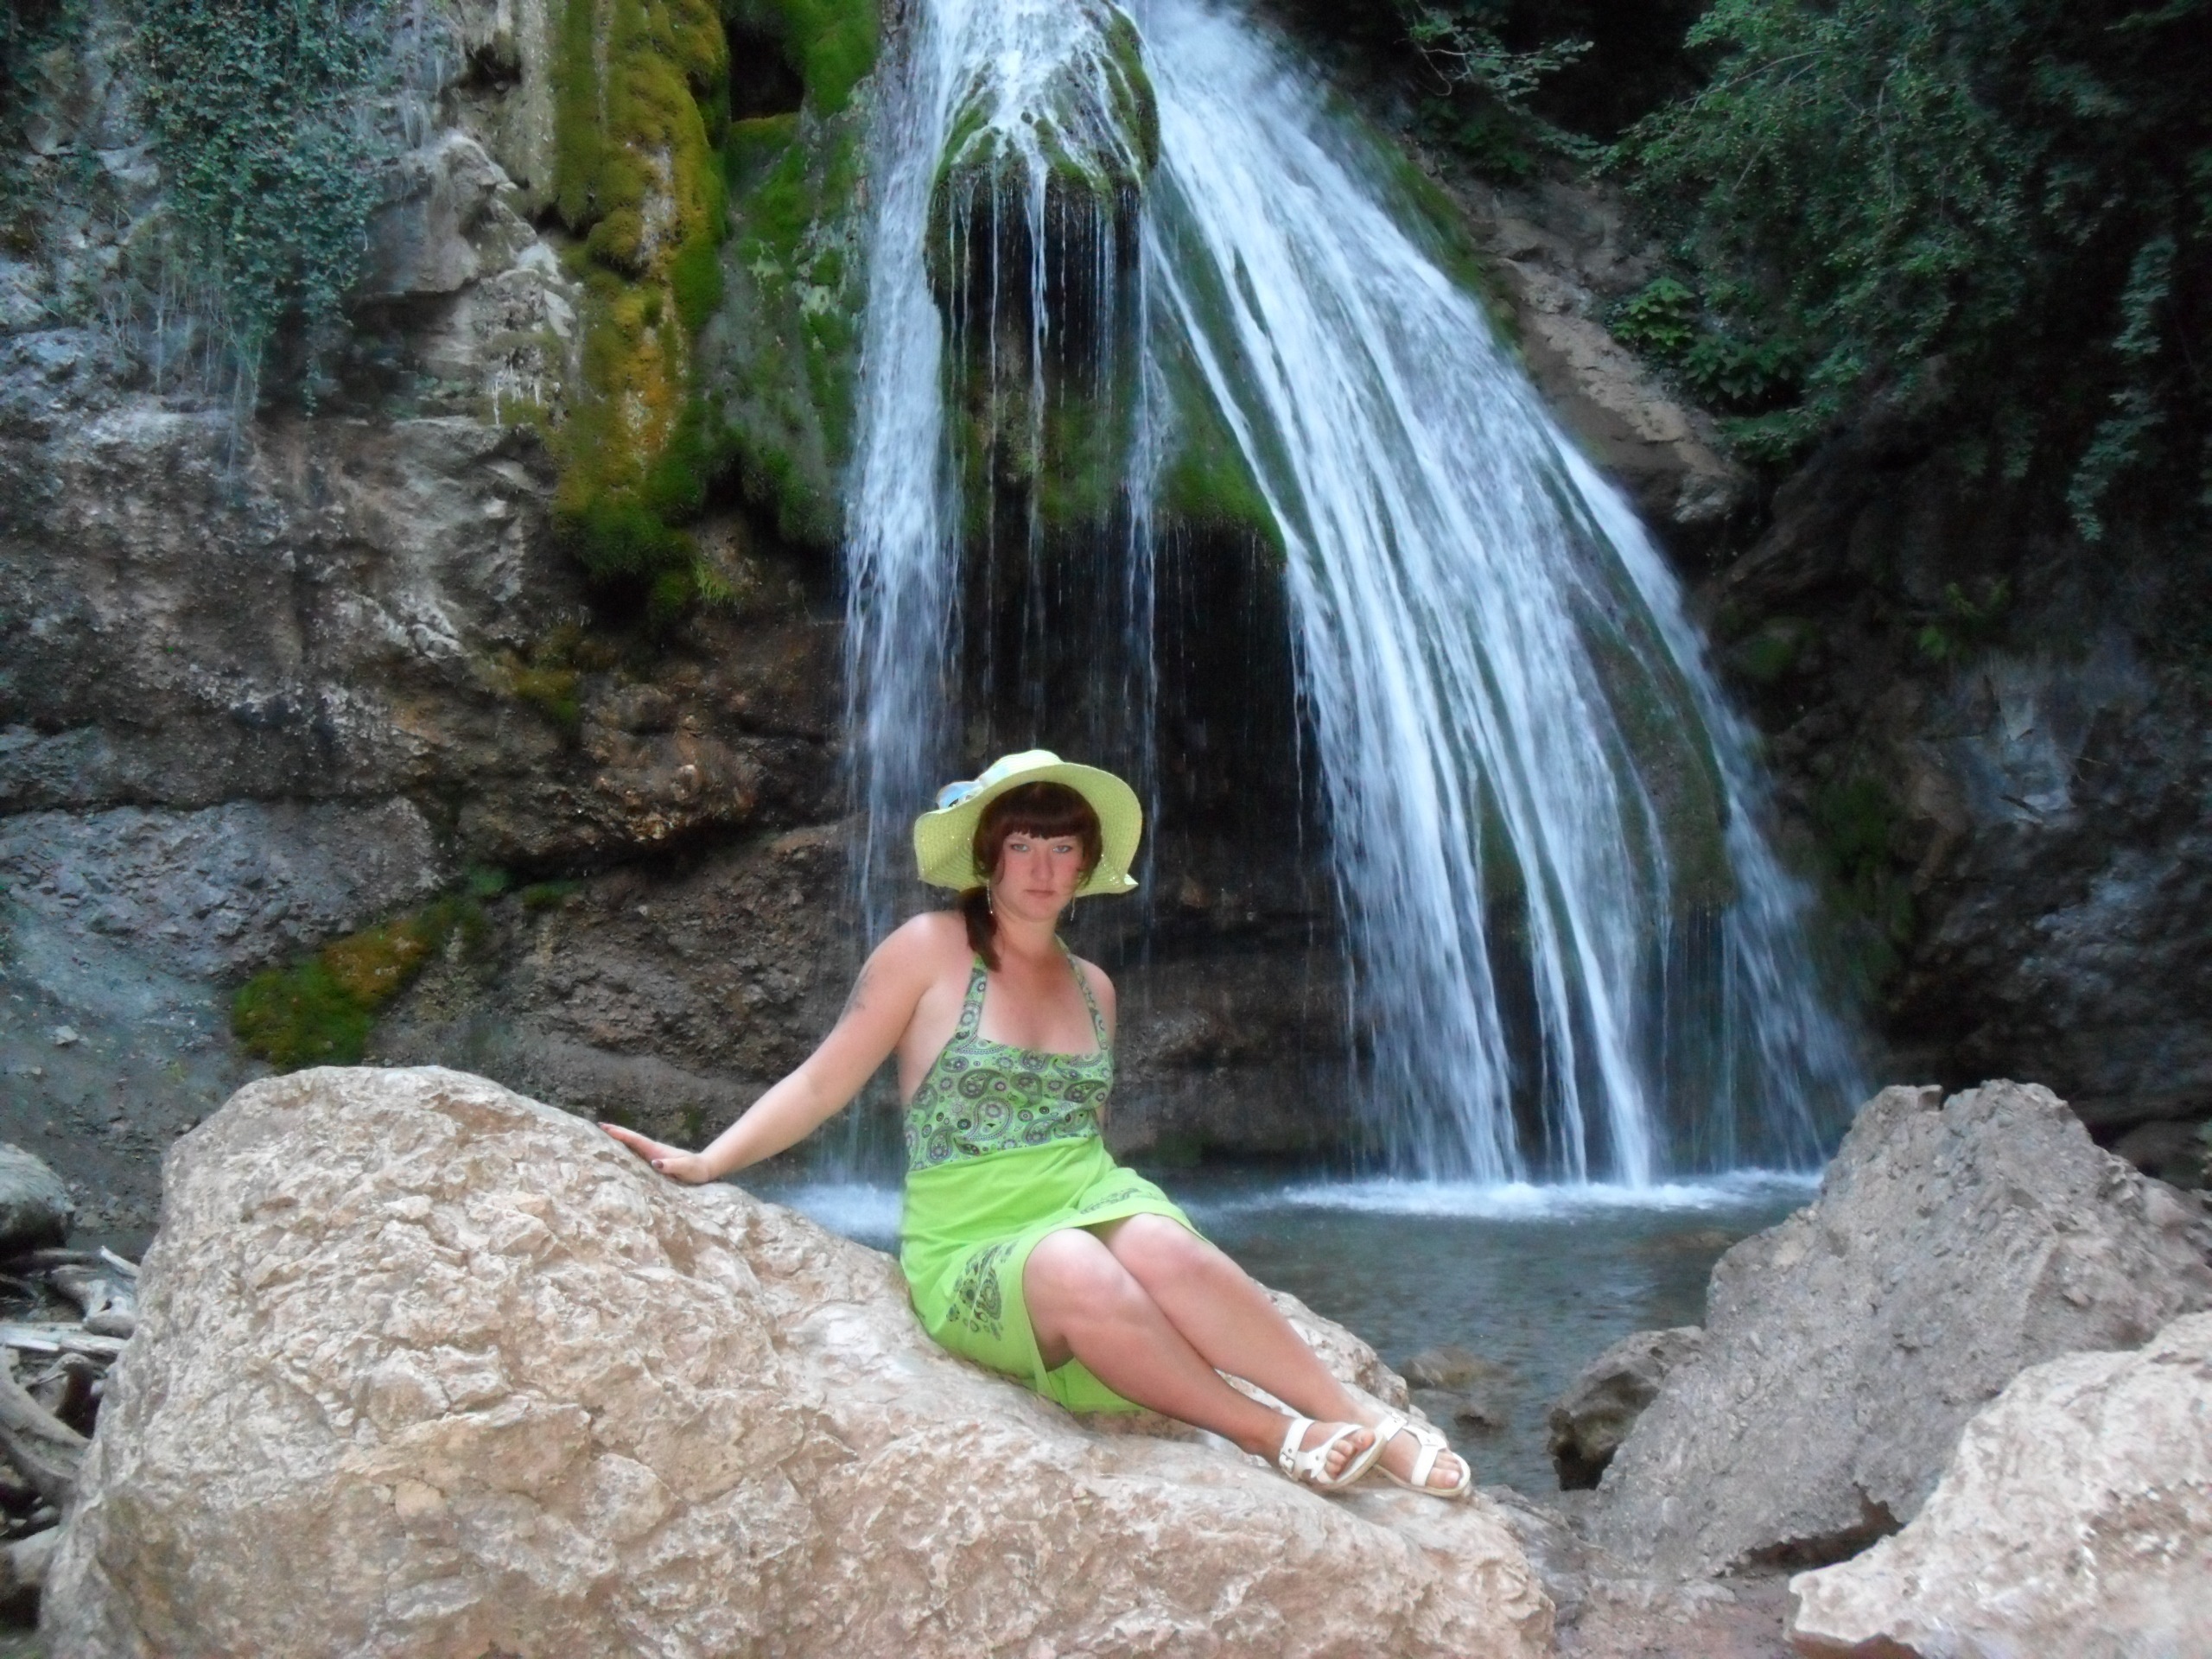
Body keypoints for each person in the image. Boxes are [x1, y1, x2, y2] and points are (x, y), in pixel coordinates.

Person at [602, 749, 1470, 1498]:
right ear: (989, 855)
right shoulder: (927, 948)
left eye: (1062, 847)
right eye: (1022, 844)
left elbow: (1085, 1138)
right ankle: (1268, 1433)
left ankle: (1356, 1419)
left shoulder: (1096, 988)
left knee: (1161, 1244)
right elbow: (824, 1081)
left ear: (1087, 863)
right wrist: (709, 1161)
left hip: (1085, 1195)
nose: (1042, 867)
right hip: (971, 1236)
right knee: (1070, 1261)